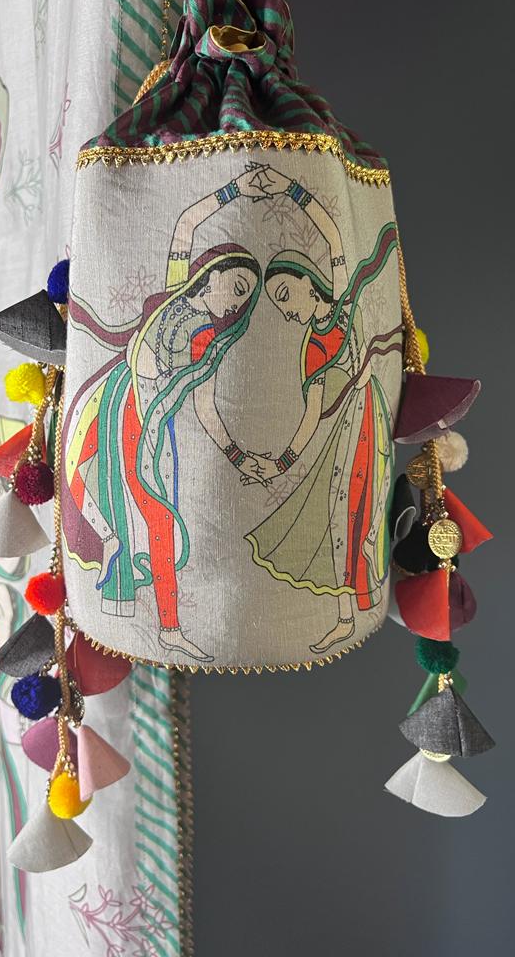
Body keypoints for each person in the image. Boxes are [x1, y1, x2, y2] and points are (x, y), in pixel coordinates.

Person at [64, 174, 265, 662]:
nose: (235, 303)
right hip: (117, 406)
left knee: (159, 521)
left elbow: (205, 407)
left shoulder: (210, 346)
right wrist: (236, 191)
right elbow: (187, 224)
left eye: (244, 300)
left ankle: (166, 624)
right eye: (236, 286)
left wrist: (239, 456)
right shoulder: (175, 293)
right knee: (108, 494)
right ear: (211, 274)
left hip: (155, 430)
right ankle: (141, 591)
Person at [241, 166, 399, 654]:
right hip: (348, 425)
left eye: (286, 295)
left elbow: (332, 234)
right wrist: (281, 462)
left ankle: (359, 599)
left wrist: (288, 187)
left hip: (371, 415)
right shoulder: (311, 347)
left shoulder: (342, 298)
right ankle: (346, 614)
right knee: (339, 513)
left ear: (310, 284)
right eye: (278, 304)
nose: (287, 309)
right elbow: (311, 415)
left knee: (365, 509)